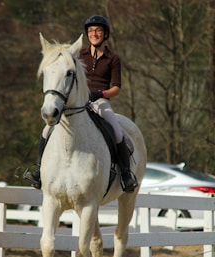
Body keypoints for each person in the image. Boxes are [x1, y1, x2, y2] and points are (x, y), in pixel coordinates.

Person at [24, 15, 138, 192]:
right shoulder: (78, 55)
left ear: (105, 34)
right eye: (91, 31)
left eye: (98, 30)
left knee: (116, 131)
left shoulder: (112, 58)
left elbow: (117, 88)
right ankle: (39, 171)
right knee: (46, 130)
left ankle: (125, 174)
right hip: (77, 101)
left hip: (100, 101)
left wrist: (100, 93)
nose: (94, 33)